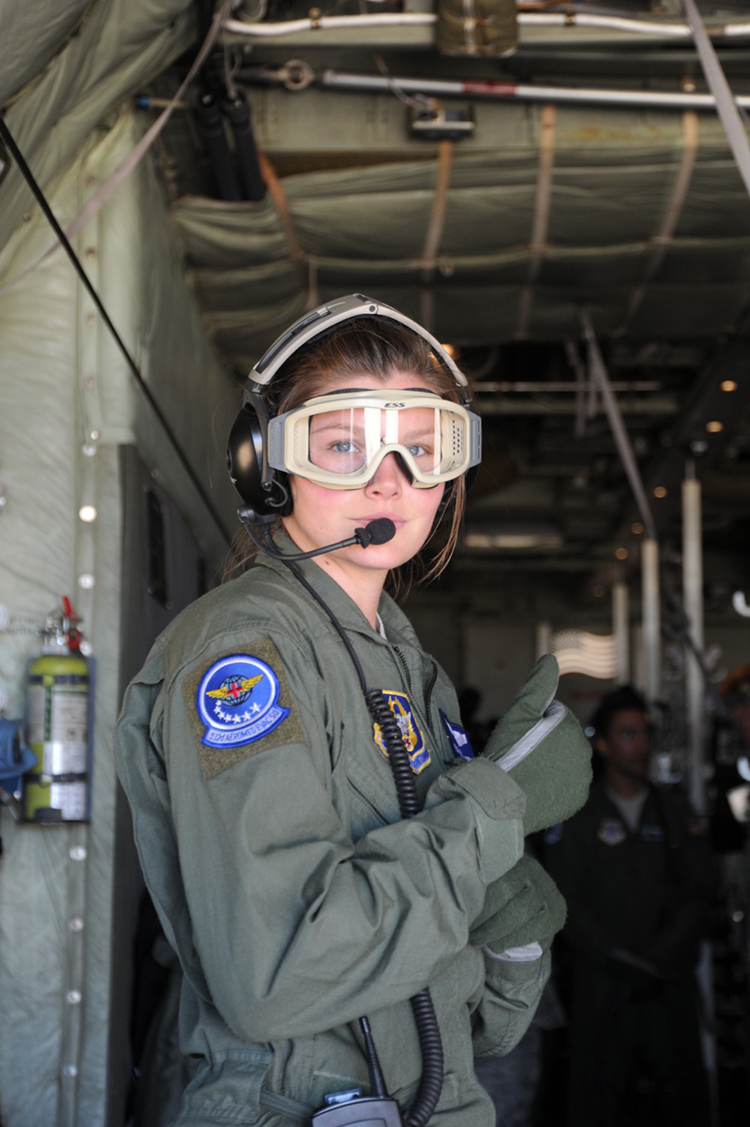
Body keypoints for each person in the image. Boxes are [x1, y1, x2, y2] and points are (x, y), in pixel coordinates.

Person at [115, 295, 591, 1127]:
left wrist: (511, 945)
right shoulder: (246, 652)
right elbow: (277, 974)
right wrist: (485, 813)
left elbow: (460, 1023)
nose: (388, 479)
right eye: (342, 444)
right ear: (265, 464)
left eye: (421, 446)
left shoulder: (410, 666)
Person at [543, 685, 715, 1127]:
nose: (641, 744)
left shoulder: (674, 812)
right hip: (601, 984)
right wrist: (618, 958)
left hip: (667, 982)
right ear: (602, 744)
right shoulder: (577, 814)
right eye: (627, 734)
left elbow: (697, 891)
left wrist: (659, 958)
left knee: (679, 1096)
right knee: (597, 1095)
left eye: (644, 733)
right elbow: (566, 901)